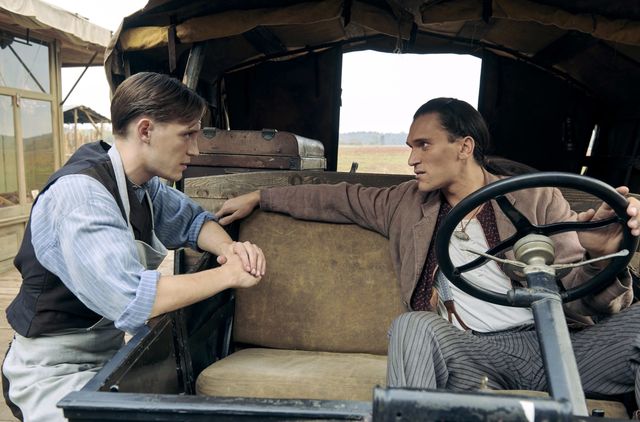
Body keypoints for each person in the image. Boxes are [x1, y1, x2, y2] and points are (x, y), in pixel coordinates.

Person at [216, 97, 640, 410]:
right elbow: (338, 198)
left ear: (464, 147)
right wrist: (260, 196)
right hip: (475, 356)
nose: (412, 160)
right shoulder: (403, 203)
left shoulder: (536, 197)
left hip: (559, 345)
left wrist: (603, 255)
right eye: (409, 147)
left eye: (423, 145)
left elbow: (581, 298)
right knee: (412, 326)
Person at [1, 72, 266, 422]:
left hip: (110, 359)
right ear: (145, 130)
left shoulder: (142, 186)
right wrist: (228, 275)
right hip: (52, 372)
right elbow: (135, 301)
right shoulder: (81, 196)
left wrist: (230, 249)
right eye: (187, 134)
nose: (196, 149)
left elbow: (193, 222)